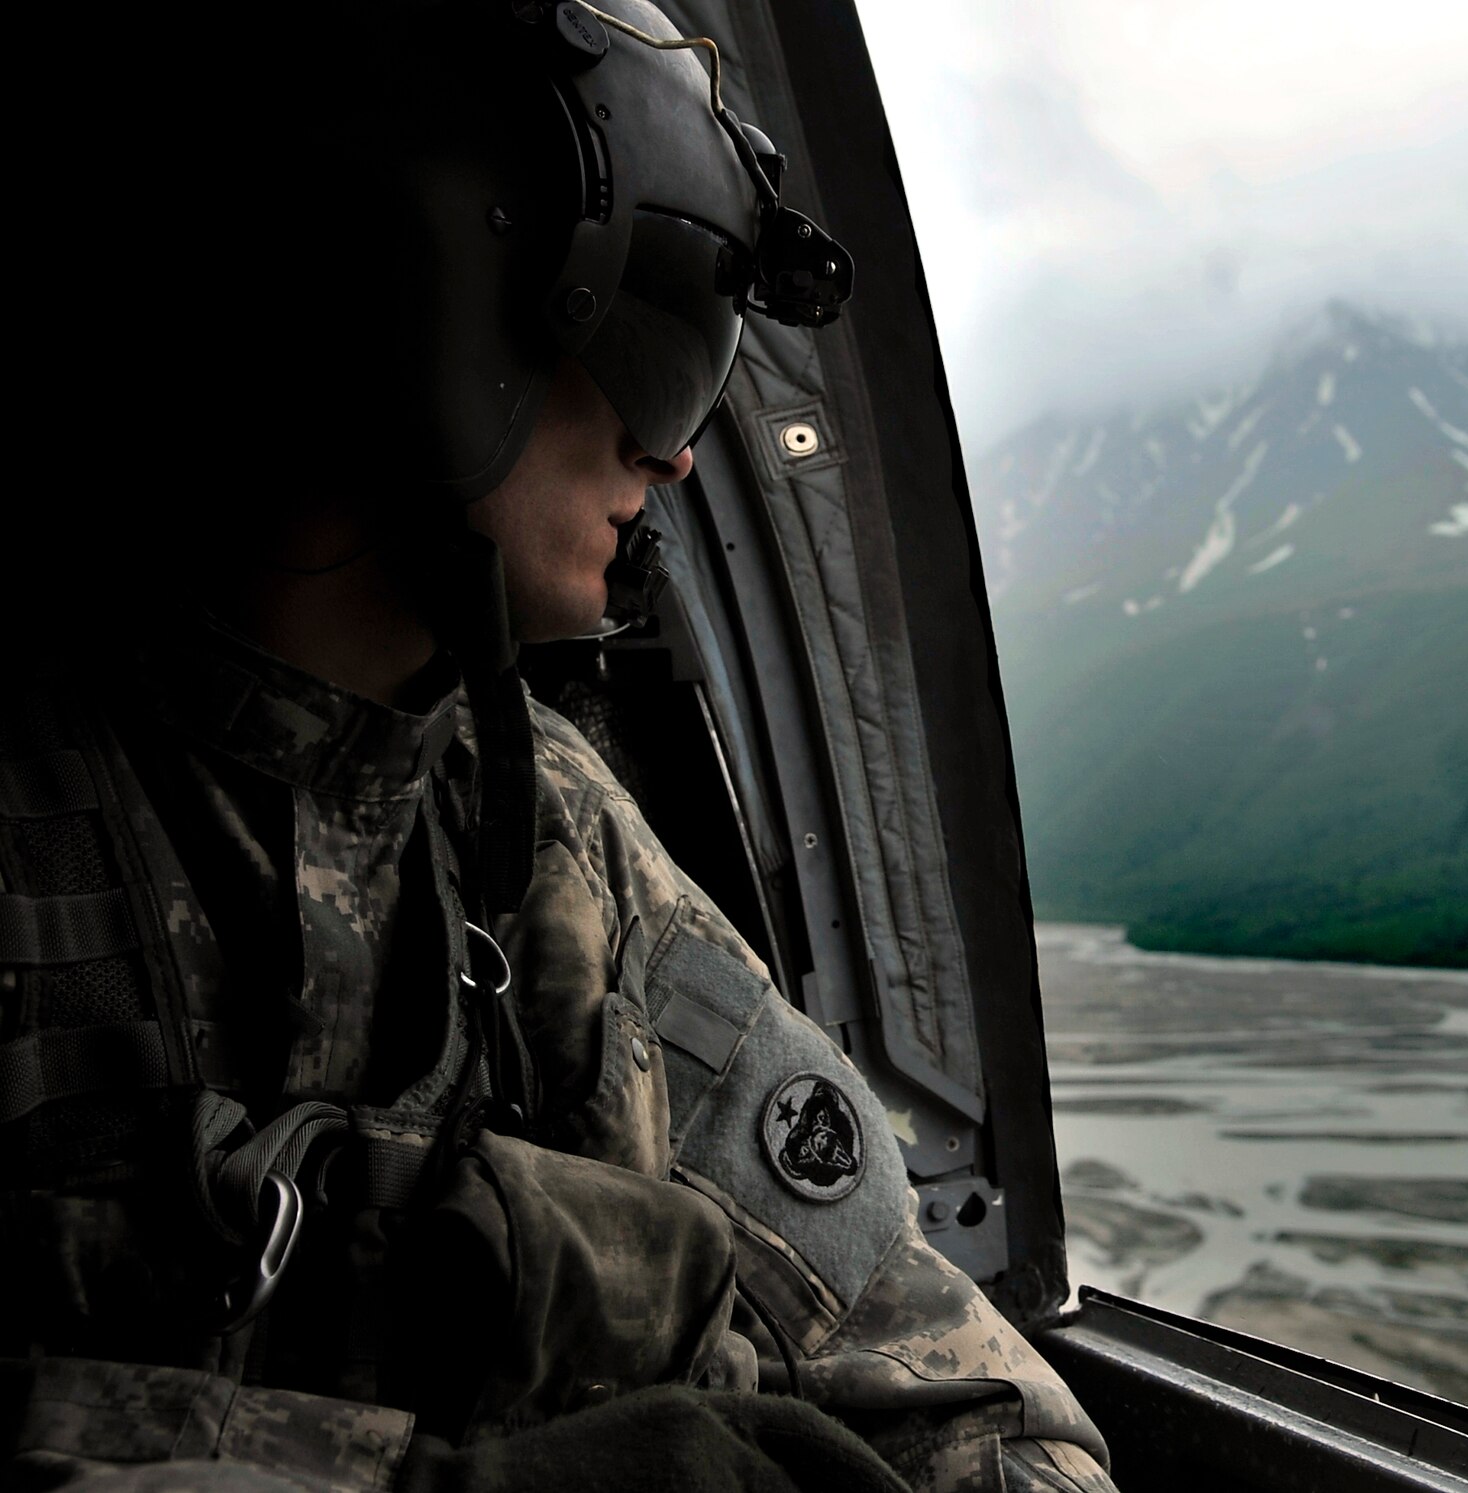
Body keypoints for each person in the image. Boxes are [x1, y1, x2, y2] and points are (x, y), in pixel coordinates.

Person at [0, 3, 1116, 1490]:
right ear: (429, 286)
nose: (673, 449)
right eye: (648, 329)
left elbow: (965, 1399)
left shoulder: (551, 846)